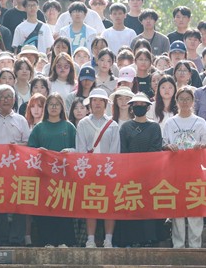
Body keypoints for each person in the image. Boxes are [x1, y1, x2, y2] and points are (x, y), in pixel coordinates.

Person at [0, 85, 31, 246]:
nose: (5, 100)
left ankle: (17, 240)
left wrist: (17, 146)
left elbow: (28, 143)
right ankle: (2, 239)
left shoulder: (21, 120)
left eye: (9, 96)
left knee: (18, 205)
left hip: (17, 169)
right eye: (1, 97)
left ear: (14, 99)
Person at [162, 86, 206, 248]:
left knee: (195, 206)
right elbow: (164, 143)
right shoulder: (170, 122)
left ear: (193, 101)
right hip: (175, 170)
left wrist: (201, 146)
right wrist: (168, 146)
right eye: (181, 99)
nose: (184, 102)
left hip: (195, 169)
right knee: (178, 208)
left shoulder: (200, 122)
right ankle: (178, 244)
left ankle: (196, 245)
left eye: (188, 99)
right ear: (176, 101)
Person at [28, 93, 77, 247]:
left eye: (57, 104)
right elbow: (30, 150)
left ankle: (65, 241)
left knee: (63, 208)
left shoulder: (69, 127)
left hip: (64, 176)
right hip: (44, 176)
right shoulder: (39, 128)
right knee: (46, 208)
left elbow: (78, 148)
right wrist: (38, 151)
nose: (54, 107)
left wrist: (71, 150)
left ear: (62, 107)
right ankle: (46, 241)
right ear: (46, 107)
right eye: (51, 104)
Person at [117, 92, 164, 247]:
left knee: (148, 205)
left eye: (143, 105)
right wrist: (131, 167)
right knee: (132, 203)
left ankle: (149, 238)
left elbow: (156, 148)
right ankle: (132, 238)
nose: (139, 107)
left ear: (148, 107)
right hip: (130, 174)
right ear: (131, 107)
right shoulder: (125, 127)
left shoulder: (154, 127)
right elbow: (123, 150)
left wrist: (143, 164)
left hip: (150, 174)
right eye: (136, 105)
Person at [75, 88, 120, 248]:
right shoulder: (83, 123)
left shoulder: (113, 125)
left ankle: (108, 239)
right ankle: (90, 239)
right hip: (89, 171)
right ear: (90, 103)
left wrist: (109, 169)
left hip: (108, 171)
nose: (97, 103)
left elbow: (115, 151)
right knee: (91, 204)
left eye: (101, 100)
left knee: (109, 206)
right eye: (94, 100)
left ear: (106, 104)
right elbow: (80, 149)